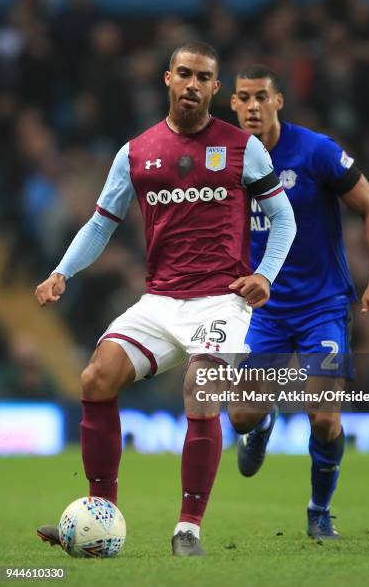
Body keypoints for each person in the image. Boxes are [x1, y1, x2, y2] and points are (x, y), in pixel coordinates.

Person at [34, 44, 296, 557]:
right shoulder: (135, 152)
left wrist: (265, 275)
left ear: (215, 88)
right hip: (159, 300)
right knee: (95, 377)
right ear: (168, 79)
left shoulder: (244, 148)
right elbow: (100, 224)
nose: (193, 84)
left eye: (203, 77)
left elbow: (284, 218)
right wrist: (62, 271)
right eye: (184, 74)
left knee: (200, 389)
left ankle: (188, 529)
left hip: (221, 300)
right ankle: (99, 514)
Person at [229, 65, 369, 539]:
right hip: (265, 308)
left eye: (262, 96)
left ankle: (319, 510)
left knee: (325, 418)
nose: (253, 106)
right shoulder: (226, 159)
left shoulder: (315, 152)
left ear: (278, 101)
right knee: (241, 414)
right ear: (234, 104)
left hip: (321, 305)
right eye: (244, 98)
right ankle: (261, 425)